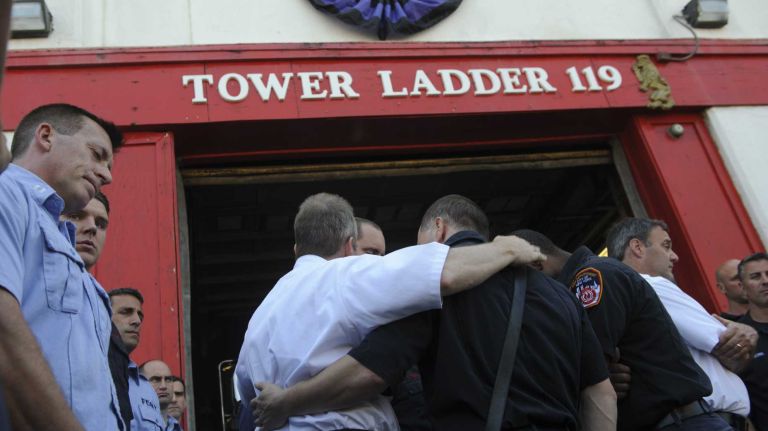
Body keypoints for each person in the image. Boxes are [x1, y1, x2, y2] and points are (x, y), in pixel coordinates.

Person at [248, 195, 615, 431]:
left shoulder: (429, 297)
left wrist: (288, 402)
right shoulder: (562, 297)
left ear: (438, 229)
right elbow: (601, 392)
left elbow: (368, 373)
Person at [513, 228, 723, 431]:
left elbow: (589, 366)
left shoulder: (589, 278)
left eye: (523, 285)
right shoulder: (587, 279)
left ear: (536, 265)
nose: (527, 297)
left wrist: (593, 377)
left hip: (677, 423)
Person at [0, 103, 123, 431]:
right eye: (97, 154)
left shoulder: (66, 247)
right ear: (46, 136)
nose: (107, 175)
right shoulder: (7, 193)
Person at [609, 218, 756, 430]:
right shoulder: (650, 285)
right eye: (666, 246)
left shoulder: (620, 296)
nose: (674, 256)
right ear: (637, 247)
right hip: (703, 419)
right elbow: (730, 345)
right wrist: (747, 335)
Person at [110, 289, 165, 431]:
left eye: (140, 315)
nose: (137, 321)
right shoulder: (88, 372)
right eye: (126, 312)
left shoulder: (147, 389)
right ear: (103, 316)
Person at [736, 252, 768, 430]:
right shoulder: (738, 337)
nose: (765, 281)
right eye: (756, 276)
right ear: (742, 287)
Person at [141, 360, 183, 431]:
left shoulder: (177, 428)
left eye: (168, 379)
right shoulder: (130, 422)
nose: (163, 386)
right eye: (156, 380)